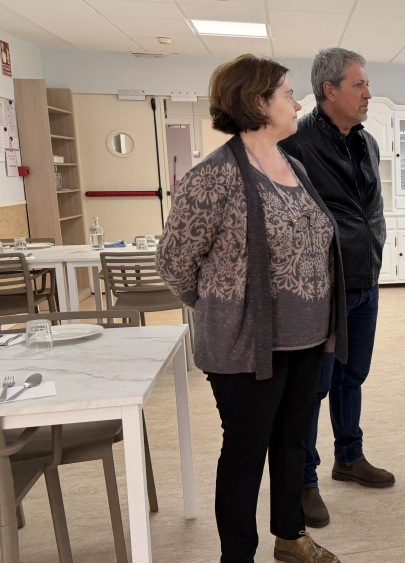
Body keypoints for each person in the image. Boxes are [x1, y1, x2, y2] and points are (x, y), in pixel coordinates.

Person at [157, 54, 348, 563]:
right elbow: (174, 263)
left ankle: (290, 536)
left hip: (308, 337)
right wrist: (223, 308)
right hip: (245, 347)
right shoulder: (212, 176)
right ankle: (238, 555)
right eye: (287, 94)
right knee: (246, 452)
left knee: (292, 443)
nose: (298, 103)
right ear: (258, 103)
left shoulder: (294, 166)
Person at [281, 48, 393, 528]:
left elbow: (370, 210)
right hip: (324, 287)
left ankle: (349, 456)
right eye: (358, 85)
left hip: (365, 280)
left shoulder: (367, 142)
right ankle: (304, 480)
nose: (368, 94)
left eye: (367, 84)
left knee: (353, 376)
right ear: (329, 90)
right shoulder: (295, 143)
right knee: (314, 387)